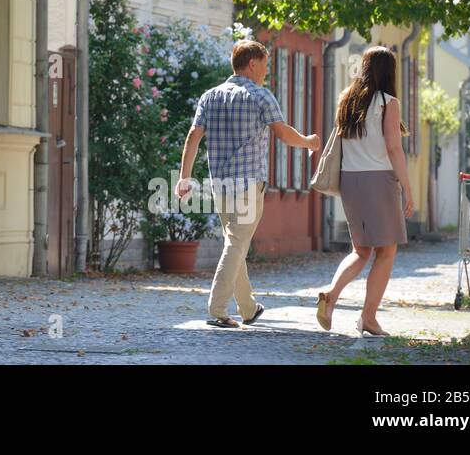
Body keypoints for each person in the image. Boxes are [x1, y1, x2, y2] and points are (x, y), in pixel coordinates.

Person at [176, 40, 320, 328]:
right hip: (248, 183)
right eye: (265, 64)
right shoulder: (260, 96)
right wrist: (308, 142)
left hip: (220, 184)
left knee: (235, 243)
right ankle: (217, 309)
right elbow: (283, 134)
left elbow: (194, 136)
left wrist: (184, 176)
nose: (266, 71)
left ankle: (248, 308)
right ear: (252, 64)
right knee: (237, 243)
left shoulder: (210, 96)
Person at [315, 46, 412, 337]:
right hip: (378, 180)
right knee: (387, 250)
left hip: (350, 181)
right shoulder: (388, 102)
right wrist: (408, 188)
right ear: (389, 71)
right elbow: (394, 148)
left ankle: (331, 295)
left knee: (361, 250)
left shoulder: (347, 99)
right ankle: (368, 317)